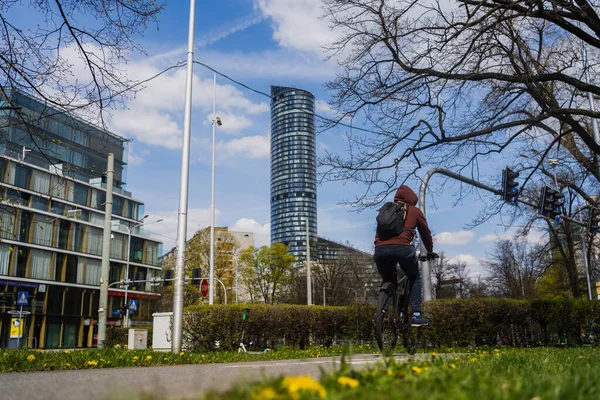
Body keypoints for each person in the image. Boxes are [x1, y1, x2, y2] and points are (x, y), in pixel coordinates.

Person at [374, 184, 438, 326]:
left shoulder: (386, 211)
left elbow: (378, 234)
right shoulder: (414, 211)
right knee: (414, 277)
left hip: (380, 250)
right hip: (403, 249)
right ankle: (416, 315)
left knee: (387, 280)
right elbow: (425, 234)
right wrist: (430, 251)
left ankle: (381, 313)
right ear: (412, 199)